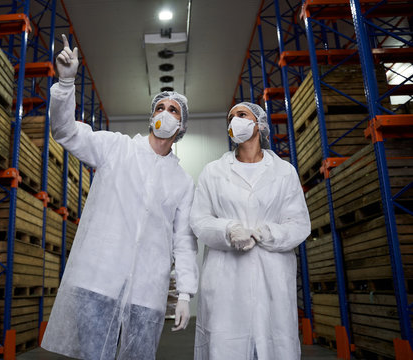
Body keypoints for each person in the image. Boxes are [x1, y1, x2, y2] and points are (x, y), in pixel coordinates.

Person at [41, 34, 199, 360]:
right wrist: (66, 84)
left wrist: (184, 292)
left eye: (173, 110)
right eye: (160, 107)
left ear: (181, 125)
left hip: (146, 291)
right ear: (151, 115)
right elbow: (66, 132)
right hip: (98, 279)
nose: (165, 113)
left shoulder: (182, 182)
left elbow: (183, 241)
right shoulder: (117, 148)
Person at [190, 102, 311, 360]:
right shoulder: (213, 172)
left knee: (274, 345)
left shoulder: (283, 172)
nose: (235, 121)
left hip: (272, 277)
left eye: (241, 115)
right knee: (226, 347)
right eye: (231, 117)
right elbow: (199, 220)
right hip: (226, 281)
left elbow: (299, 224)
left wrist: (265, 234)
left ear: (259, 124)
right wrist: (229, 230)